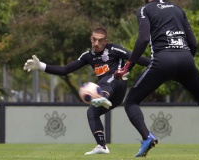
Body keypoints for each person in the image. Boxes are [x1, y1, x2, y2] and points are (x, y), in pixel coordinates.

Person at [114, 0, 199, 157]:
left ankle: (147, 137)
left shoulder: (144, 10)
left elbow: (143, 39)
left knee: (131, 101)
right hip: (186, 58)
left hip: (163, 60)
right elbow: (193, 43)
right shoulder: (178, 10)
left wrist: (128, 67)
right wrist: (183, 67)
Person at [23, 27, 150, 155]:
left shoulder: (114, 49)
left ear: (105, 41)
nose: (96, 43)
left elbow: (134, 57)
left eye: (100, 41)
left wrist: (155, 64)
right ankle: (101, 145)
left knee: (109, 78)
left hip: (118, 82)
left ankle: (103, 96)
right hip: (112, 98)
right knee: (91, 113)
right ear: (91, 39)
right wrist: (40, 66)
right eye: (94, 40)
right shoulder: (88, 56)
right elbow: (65, 70)